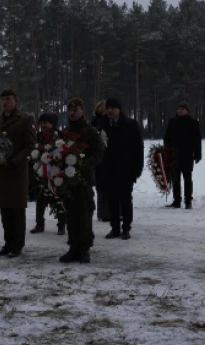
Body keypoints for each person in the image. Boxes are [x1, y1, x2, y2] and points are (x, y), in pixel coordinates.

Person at [0, 88, 36, 258]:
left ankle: (17, 244)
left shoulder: (25, 119)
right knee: (5, 210)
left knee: (17, 210)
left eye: (8, 99)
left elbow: (31, 145)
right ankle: (8, 243)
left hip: (16, 171)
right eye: (2, 99)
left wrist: (16, 160)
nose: (4, 102)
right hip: (1, 170)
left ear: (15, 100)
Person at [58, 98, 105, 263]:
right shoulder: (65, 132)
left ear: (83, 111)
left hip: (84, 179)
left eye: (75, 110)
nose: (72, 113)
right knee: (70, 213)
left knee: (84, 213)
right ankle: (73, 247)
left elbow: (99, 152)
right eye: (70, 110)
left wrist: (84, 164)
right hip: (68, 180)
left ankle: (84, 249)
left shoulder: (90, 131)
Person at [100, 98, 144, 240]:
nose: (110, 111)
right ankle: (115, 228)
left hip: (126, 169)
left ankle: (126, 228)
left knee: (125, 200)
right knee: (111, 200)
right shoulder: (103, 124)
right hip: (109, 169)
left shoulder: (130, 124)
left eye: (113, 108)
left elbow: (138, 148)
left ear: (119, 109)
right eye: (108, 108)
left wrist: (137, 169)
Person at [30, 112, 66, 236]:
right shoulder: (39, 136)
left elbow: (63, 152)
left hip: (56, 173)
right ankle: (39, 224)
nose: (42, 125)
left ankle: (61, 225)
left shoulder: (59, 136)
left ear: (52, 124)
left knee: (58, 200)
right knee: (40, 199)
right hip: (42, 173)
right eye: (41, 123)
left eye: (45, 122)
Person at [163, 102, 202, 209]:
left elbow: (197, 140)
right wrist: (166, 150)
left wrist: (198, 154)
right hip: (174, 154)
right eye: (178, 109)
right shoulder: (172, 122)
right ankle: (177, 201)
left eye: (182, 109)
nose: (180, 111)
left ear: (187, 111)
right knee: (175, 178)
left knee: (187, 178)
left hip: (187, 154)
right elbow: (166, 137)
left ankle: (188, 201)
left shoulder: (193, 123)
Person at [91, 100, 110, 222]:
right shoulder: (104, 123)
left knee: (101, 187)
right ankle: (107, 212)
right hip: (104, 158)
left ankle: (103, 213)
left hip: (99, 159)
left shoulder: (94, 122)